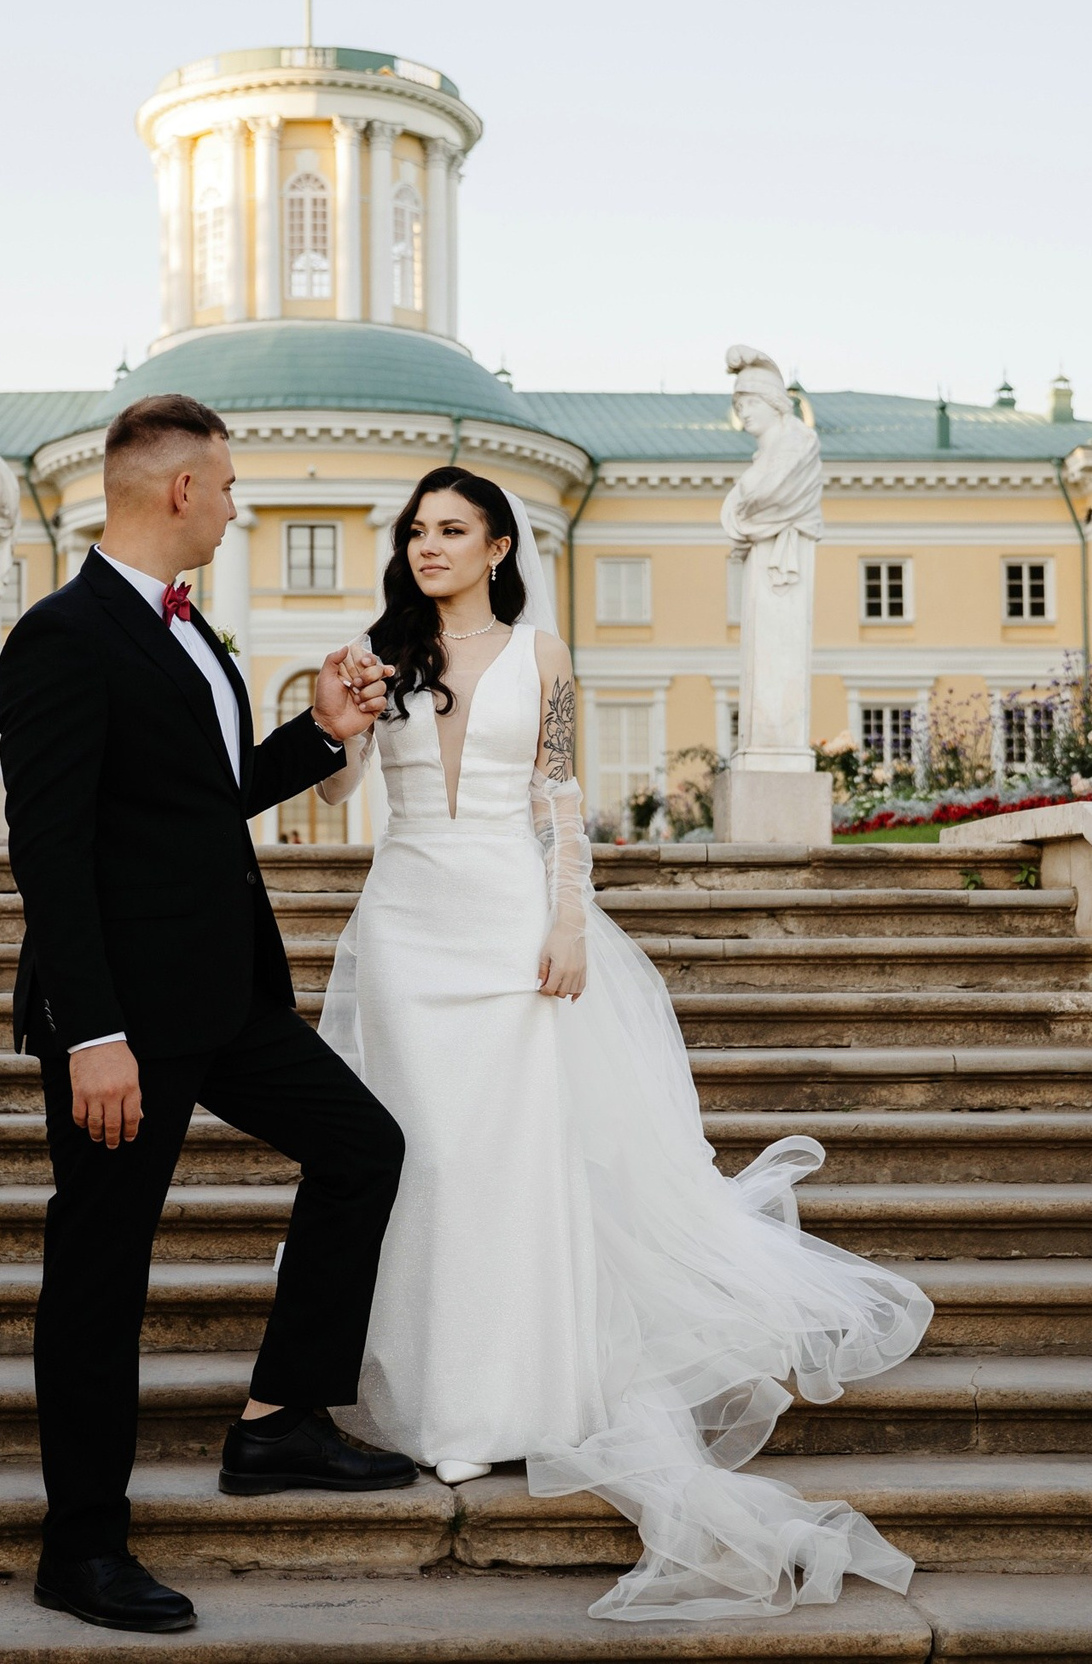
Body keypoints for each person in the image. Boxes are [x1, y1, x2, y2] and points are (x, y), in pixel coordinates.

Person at [314, 465, 935, 1621]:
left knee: (512, 1159)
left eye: (451, 530)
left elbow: (556, 793)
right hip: (407, 923)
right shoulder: (370, 652)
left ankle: (518, 1399)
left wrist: (566, 917)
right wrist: (334, 716)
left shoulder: (541, 655)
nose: (427, 546)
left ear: (499, 545)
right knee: (428, 1161)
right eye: (415, 531)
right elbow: (346, 781)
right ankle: (441, 1404)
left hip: (509, 919)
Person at [0, 393, 411, 1634]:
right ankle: (82, 1548)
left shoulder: (194, 637)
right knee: (100, 1275)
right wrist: (90, 1032)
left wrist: (319, 734)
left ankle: (282, 1418)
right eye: (228, 488)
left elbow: (205, 797)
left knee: (364, 1149)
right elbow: (50, 852)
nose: (237, 509)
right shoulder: (61, 637)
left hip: (228, 997)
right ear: (178, 490)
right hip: (123, 1019)